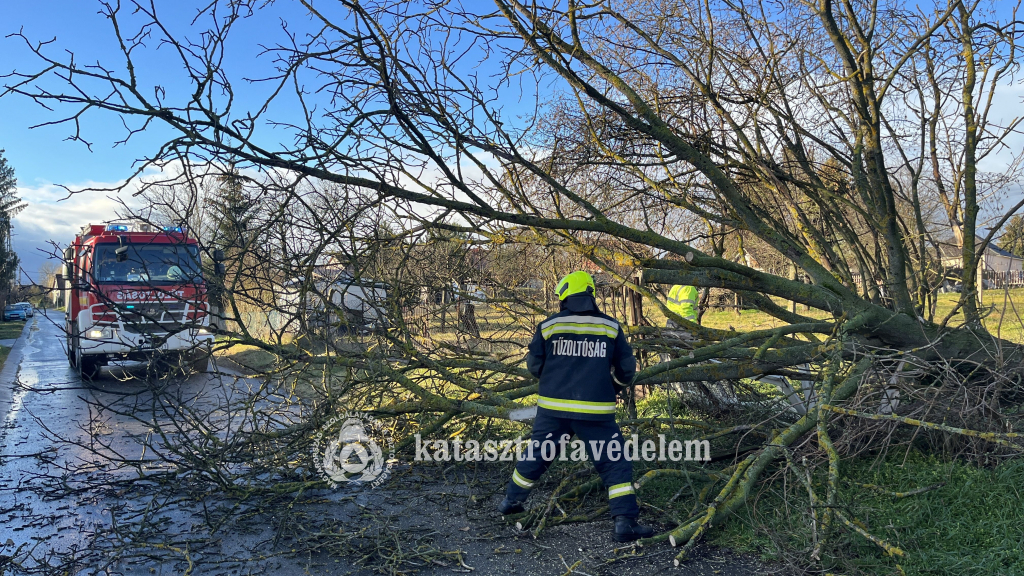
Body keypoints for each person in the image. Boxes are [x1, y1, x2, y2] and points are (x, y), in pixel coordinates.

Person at [498, 271, 655, 542]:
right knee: (614, 462)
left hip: (552, 410)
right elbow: (627, 369)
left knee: (537, 455)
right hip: (595, 412)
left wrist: (555, 379)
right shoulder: (609, 327)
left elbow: (534, 366)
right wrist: (613, 386)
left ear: (566, 295)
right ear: (591, 294)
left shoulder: (549, 326)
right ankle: (624, 523)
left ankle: (511, 502)